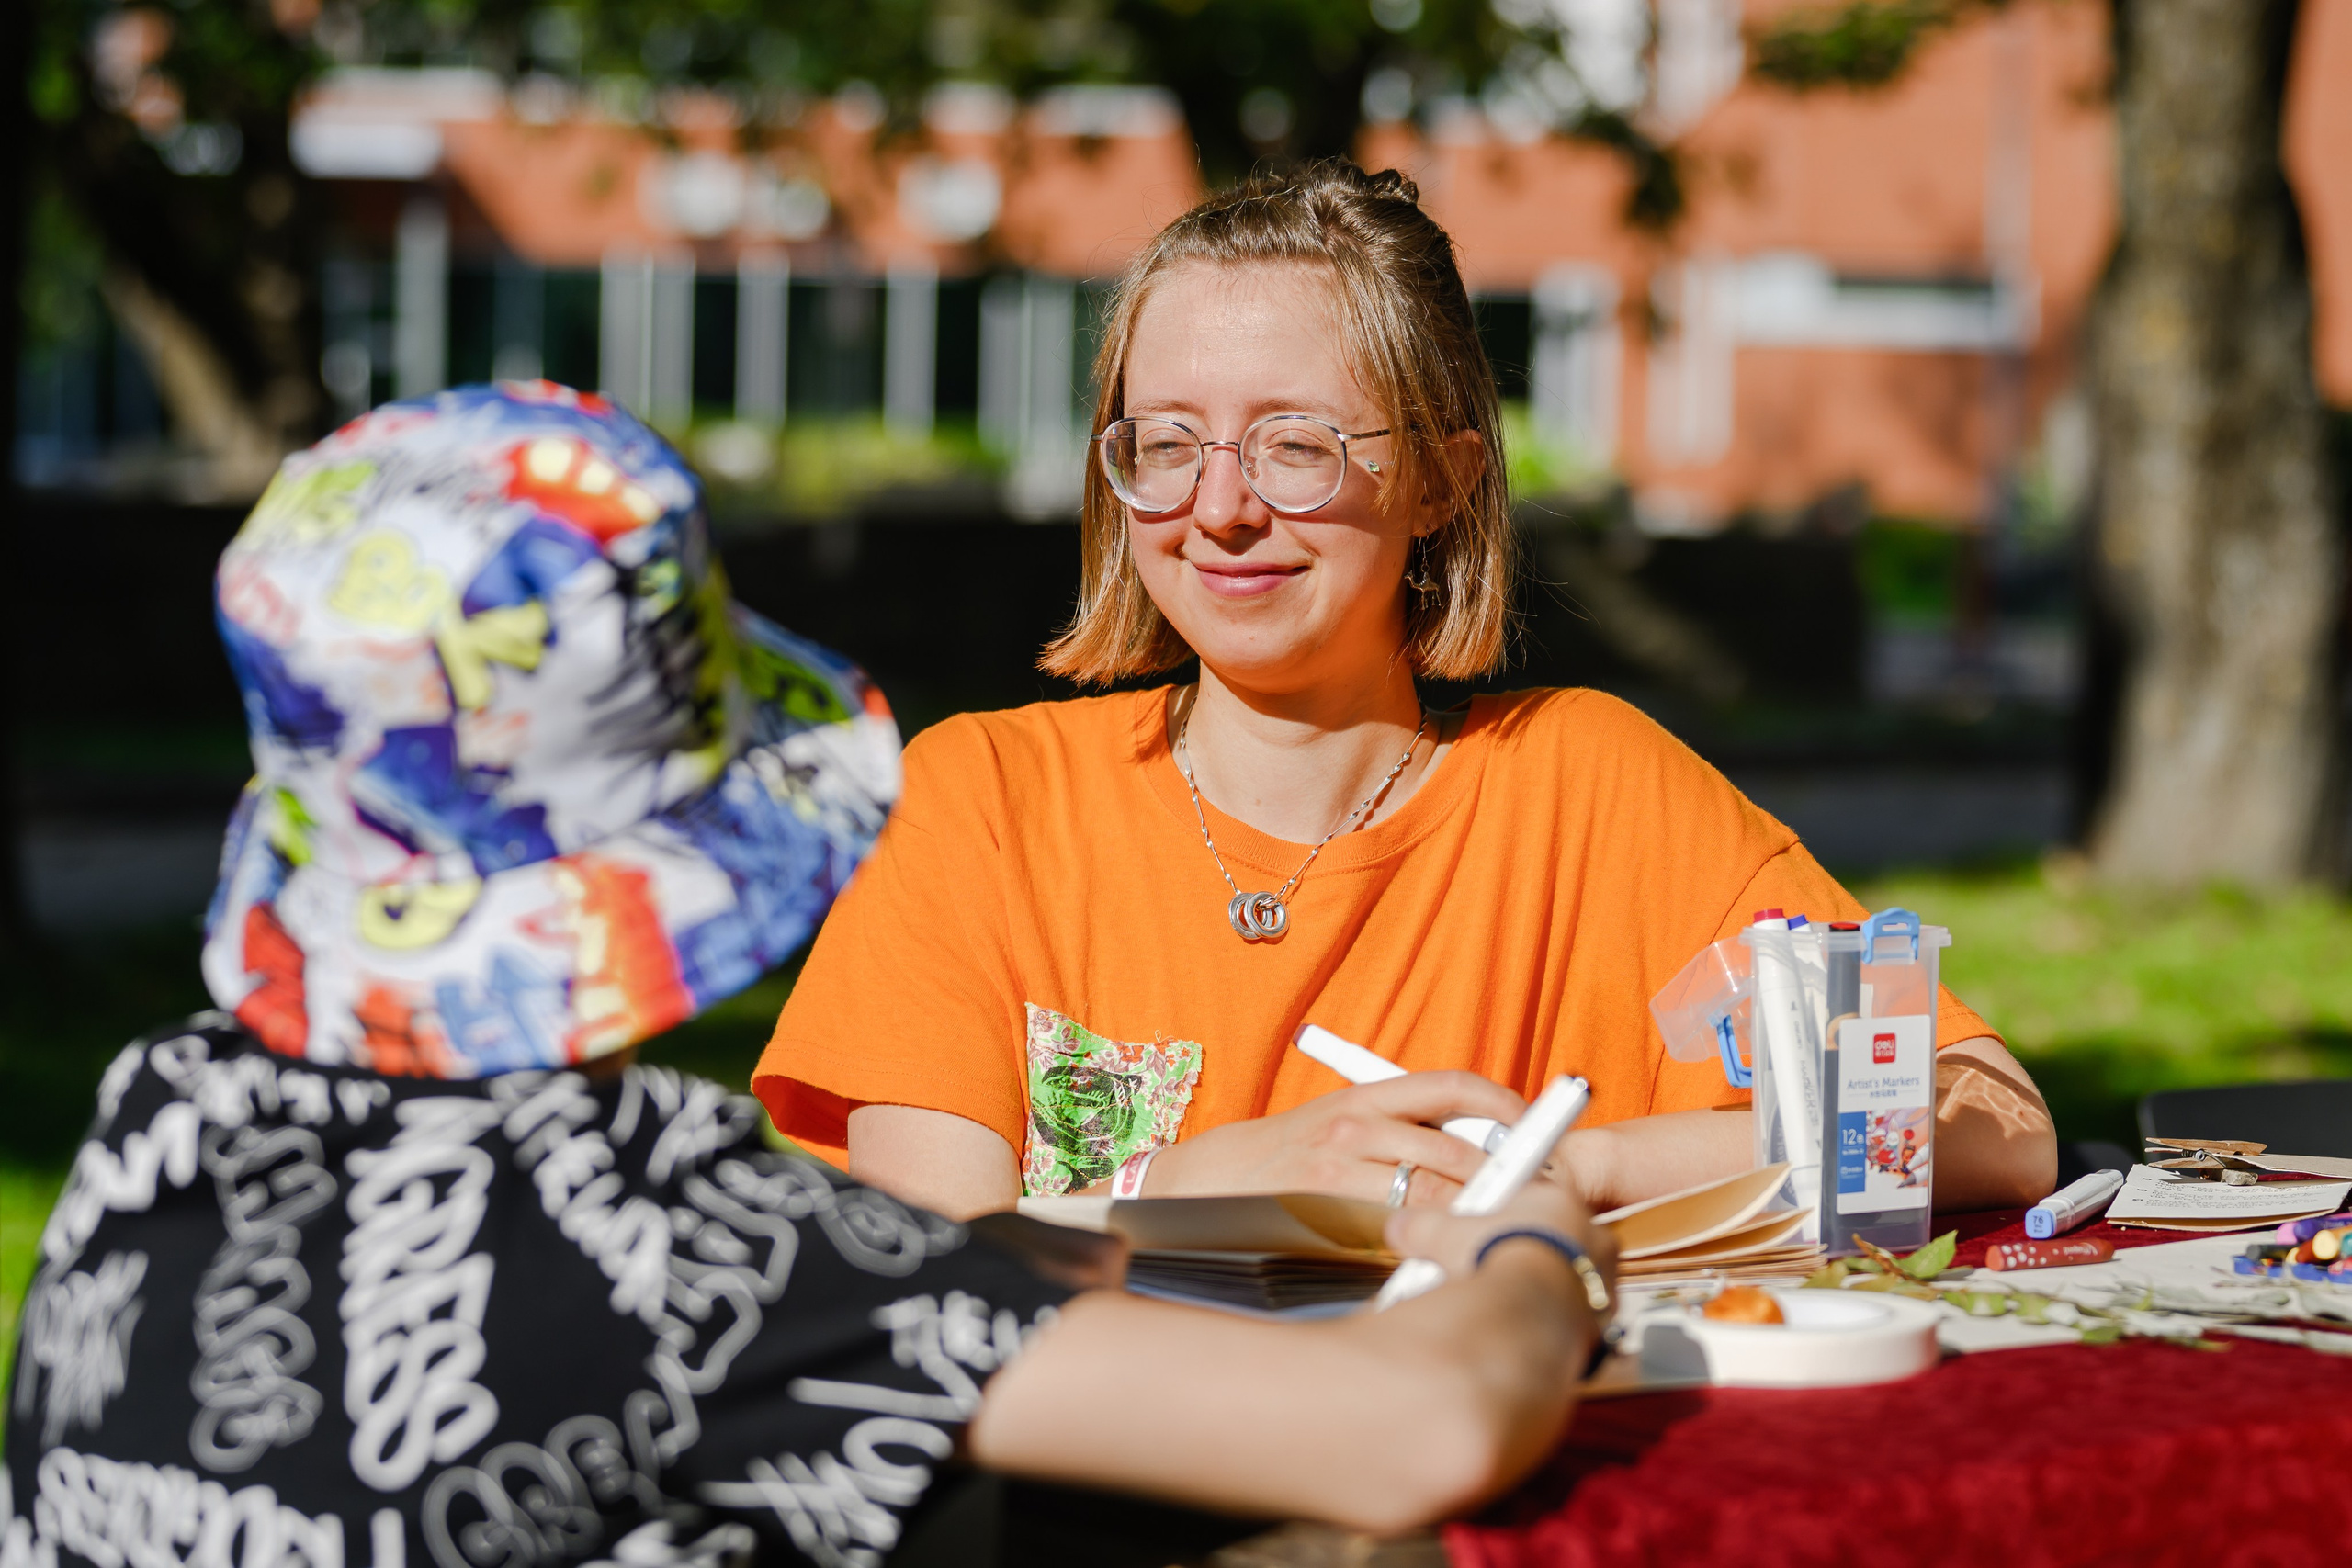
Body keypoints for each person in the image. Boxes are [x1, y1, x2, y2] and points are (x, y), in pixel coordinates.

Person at [4, 384, 1613, 1565]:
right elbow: (1422, 1433)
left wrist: (1122, 1220)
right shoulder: (665, 1233)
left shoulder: (163, 1122)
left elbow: (874, 1275)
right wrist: (1530, 1246)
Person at [753, 161, 2058, 1223]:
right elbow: (924, 1270)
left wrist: (1571, 1172)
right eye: (1166, 445)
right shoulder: (981, 801)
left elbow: (1985, 1123)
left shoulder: (1590, 791)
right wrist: (1229, 1176)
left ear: (1438, 482)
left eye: (1295, 445)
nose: (1220, 509)